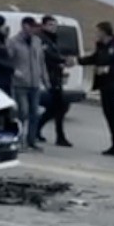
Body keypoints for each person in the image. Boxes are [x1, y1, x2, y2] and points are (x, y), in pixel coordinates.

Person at [79, 21, 114, 158]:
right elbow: (94, 58)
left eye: (98, 31)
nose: (96, 34)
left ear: (104, 31)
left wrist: (107, 69)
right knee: (109, 117)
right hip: (105, 86)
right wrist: (78, 61)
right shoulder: (101, 46)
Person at [6, 16, 49, 151]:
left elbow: (41, 62)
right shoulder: (13, 42)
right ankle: (19, 140)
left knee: (34, 113)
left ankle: (31, 141)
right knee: (22, 112)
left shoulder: (37, 41)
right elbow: (7, 61)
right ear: (25, 26)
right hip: (20, 84)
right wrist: (14, 71)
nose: (35, 29)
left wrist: (45, 80)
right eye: (33, 26)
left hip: (34, 84)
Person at [36, 15, 72, 147]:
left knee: (57, 108)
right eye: (50, 25)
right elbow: (48, 56)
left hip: (55, 77)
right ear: (44, 25)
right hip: (49, 78)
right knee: (58, 107)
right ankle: (59, 136)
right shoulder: (41, 39)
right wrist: (62, 60)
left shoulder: (52, 40)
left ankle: (38, 130)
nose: (53, 28)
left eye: (55, 25)